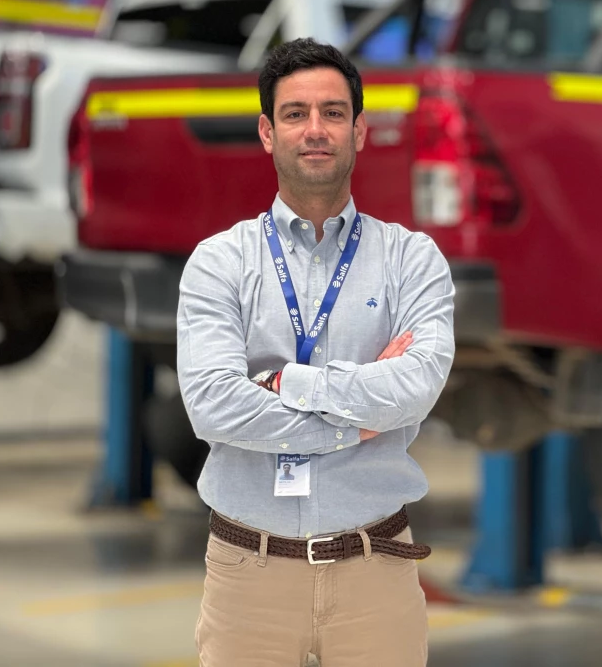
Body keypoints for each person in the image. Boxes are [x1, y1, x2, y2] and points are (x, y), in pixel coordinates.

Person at [176, 38, 455, 666]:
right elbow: (213, 406)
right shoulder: (220, 263)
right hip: (248, 575)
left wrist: (287, 383)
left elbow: (416, 388)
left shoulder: (411, 260)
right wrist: (356, 422)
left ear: (359, 131)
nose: (315, 129)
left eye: (333, 113)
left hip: (375, 570)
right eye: (295, 114)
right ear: (267, 133)